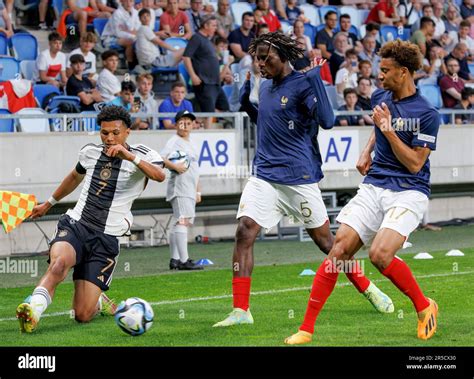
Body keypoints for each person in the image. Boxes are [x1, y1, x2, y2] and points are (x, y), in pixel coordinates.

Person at [213, 32, 393, 328]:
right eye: (256, 58)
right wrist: (246, 102)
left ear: (283, 56)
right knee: (244, 231)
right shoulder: (266, 85)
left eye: (265, 58)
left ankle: (368, 288)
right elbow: (269, 120)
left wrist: (316, 79)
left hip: (299, 177)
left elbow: (328, 121)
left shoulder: (303, 83)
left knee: (328, 244)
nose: (259, 63)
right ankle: (241, 310)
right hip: (265, 175)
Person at [285, 40, 440, 345]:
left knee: (380, 255)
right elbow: (377, 127)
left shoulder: (428, 114)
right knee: (338, 251)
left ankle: (424, 306)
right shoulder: (381, 96)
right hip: (374, 185)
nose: (379, 76)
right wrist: (366, 151)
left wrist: (388, 130)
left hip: (409, 190)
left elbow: (413, 163)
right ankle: (306, 329)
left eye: (386, 71)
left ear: (404, 73)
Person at [16, 105, 166, 333]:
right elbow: (75, 176)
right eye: (104, 132)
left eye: (115, 132)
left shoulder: (144, 155)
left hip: (106, 239)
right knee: (58, 264)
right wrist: (49, 203)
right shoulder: (90, 152)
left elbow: (159, 175)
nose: (109, 138)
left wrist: (129, 156)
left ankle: (98, 301)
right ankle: (33, 310)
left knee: (83, 315)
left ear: (127, 132)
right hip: (77, 225)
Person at [161, 110, 203, 270]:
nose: (185, 125)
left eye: (189, 121)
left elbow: (196, 169)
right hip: (180, 187)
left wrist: (197, 190)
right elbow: (161, 158)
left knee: (178, 222)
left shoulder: (192, 142)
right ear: (177, 123)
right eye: (182, 121)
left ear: (193, 125)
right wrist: (175, 166)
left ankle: (175, 259)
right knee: (182, 221)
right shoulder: (174, 141)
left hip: (189, 188)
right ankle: (184, 261)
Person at [183, 15, 230, 126]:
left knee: (224, 107)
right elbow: (186, 57)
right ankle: (207, 132)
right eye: (213, 25)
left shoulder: (208, 41)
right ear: (205, 25)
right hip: (205, 83)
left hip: (215, 83)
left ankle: (198, 122)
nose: (215, 28)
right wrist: (193, 76)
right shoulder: (196, 38)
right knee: (209, 113)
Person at [101, 0, 141, 70]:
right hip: (111, 37)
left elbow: (137, 28)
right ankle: (130, 65)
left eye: (131, 1)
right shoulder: (117, 13)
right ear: (122, 2)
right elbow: (118, 32)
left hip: (129, 36)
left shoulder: (135, 13)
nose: (128, 4)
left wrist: (134, 34)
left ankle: (140, 63)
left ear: (133, 2)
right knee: (130, 42)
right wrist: (133, 35)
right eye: (126, 1)